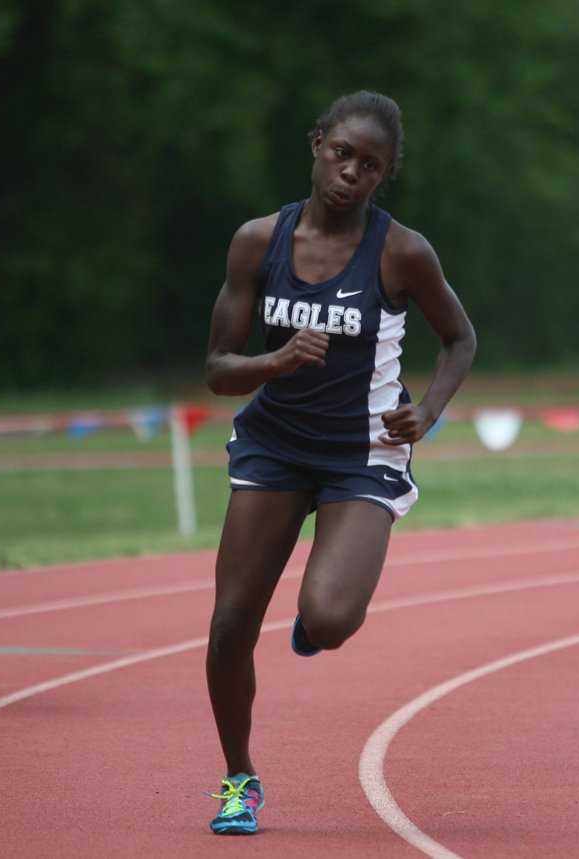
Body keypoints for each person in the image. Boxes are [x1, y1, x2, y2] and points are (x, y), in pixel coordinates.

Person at [202, 90, 476, 834]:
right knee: (229, 623)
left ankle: (314, 622)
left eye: (370, 165)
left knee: (328, 618)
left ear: (385, 175)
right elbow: (218, 369)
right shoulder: (258, 241)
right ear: (317, 143)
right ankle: (238, 778)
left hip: (363, 453)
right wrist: (278, 359)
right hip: (273, 445)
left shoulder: (400, 251)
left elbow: (460, 337)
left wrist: (428, 411)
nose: (351, 172)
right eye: (342, 153)